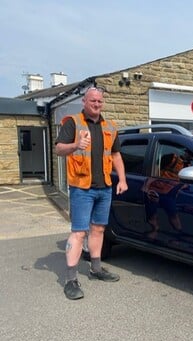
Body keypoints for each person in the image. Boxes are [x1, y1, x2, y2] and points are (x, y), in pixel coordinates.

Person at [55, 86, 128, 300]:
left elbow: (115, 155)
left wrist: (122, 179)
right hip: (81, 188)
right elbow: (59, 149)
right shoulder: (73, 123)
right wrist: (76, 144)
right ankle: (70, 280)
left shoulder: (110, 127)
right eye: (92, 100)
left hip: (104, 187)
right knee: (79, 232)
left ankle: (96, 269)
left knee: (98, 229)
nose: (96, 104)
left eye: (99, 101)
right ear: (84, 102)